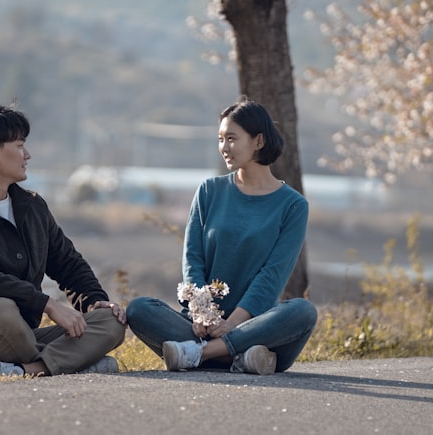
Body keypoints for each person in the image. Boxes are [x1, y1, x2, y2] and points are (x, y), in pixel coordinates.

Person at [0, 99, 127, 380]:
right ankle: (73, 363)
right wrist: (48, 305)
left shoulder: (32, 207)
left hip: (24, 338)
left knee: (110, 322)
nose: (27, 155)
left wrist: (94, 301)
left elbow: (68, 263)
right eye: (20, 146)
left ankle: (29, 370)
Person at [126, 97, 318, 374]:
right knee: (139, 308)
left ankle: (200, 354)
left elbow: (272, 276)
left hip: (257, 328)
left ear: (259, 141)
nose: (224, 148)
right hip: (201, 325)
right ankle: (242, 360)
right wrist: (202, 313)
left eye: (231, 139)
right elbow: (193, 258)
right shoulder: (209, 191)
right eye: (220, 139)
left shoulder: (293, 206)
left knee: (303, 312)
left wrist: (231, 325)